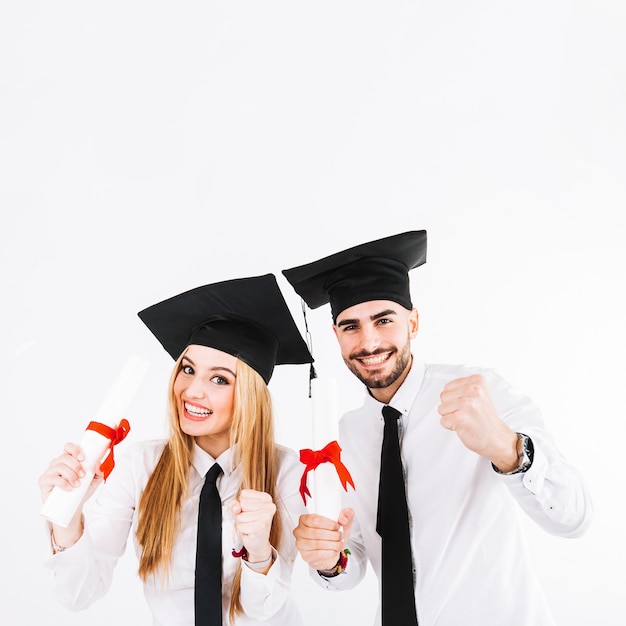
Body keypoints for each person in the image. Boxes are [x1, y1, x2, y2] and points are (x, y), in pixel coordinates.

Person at [281, 230, 593, 626]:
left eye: (384, 320)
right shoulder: (345, 435)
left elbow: (574, 518)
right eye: (351, 326)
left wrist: (507, 449)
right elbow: (355, 555)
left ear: (413, 321)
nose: (370, 341)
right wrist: (330, 560)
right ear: (336, 335)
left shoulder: (482, 392)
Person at [38, 273, 313, 626]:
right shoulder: (141, 465)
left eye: (219, 379)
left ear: (251, 397)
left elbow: (264, 611)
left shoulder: (287, 471)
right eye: (187, 369)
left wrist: (258, 548)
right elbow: (78, 595)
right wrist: (68, 514)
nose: (191, 391)